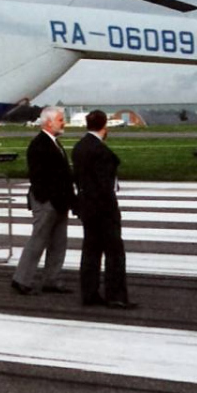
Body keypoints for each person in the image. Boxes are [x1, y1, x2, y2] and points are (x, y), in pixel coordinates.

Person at [71, 109, 136, 309]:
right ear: (104, 125)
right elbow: (104, 185)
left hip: (87, 207)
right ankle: (115, 295)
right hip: (104, 209)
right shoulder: (100, 151)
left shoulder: (79, 147)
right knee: (114, 253)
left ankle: (89, 293)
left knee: (90, 251)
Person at [10, 107, 74, 295]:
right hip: (48, 202)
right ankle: (21, 279)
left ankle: (51, 279)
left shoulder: (54, 143)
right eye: (61, 120)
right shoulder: (39, 144)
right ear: (49, 122)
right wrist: (49, 199)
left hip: (59, 201)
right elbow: (38, 177)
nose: (64, 123)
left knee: (58, 242)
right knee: (38, 241)